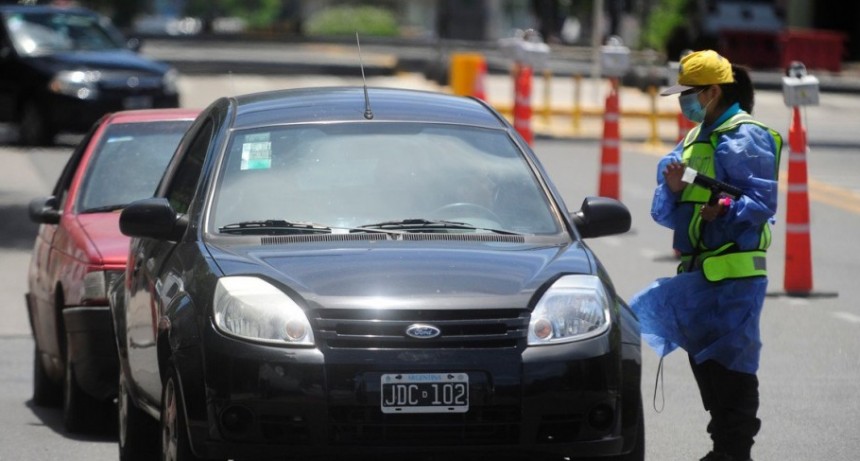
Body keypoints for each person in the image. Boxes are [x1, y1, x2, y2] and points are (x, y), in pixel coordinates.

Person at [629, 50, 783, 461]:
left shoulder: (744, 135)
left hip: (733, 279)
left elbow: (761, 202)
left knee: (731, 372)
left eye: (690, 94)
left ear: (713, 92)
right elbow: (664, 210)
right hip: (698, 275)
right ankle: (727, 451)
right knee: (710, 371)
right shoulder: (694, 140)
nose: (684, 103)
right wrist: (676, 191)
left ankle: (732, 454)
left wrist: (726, 210)